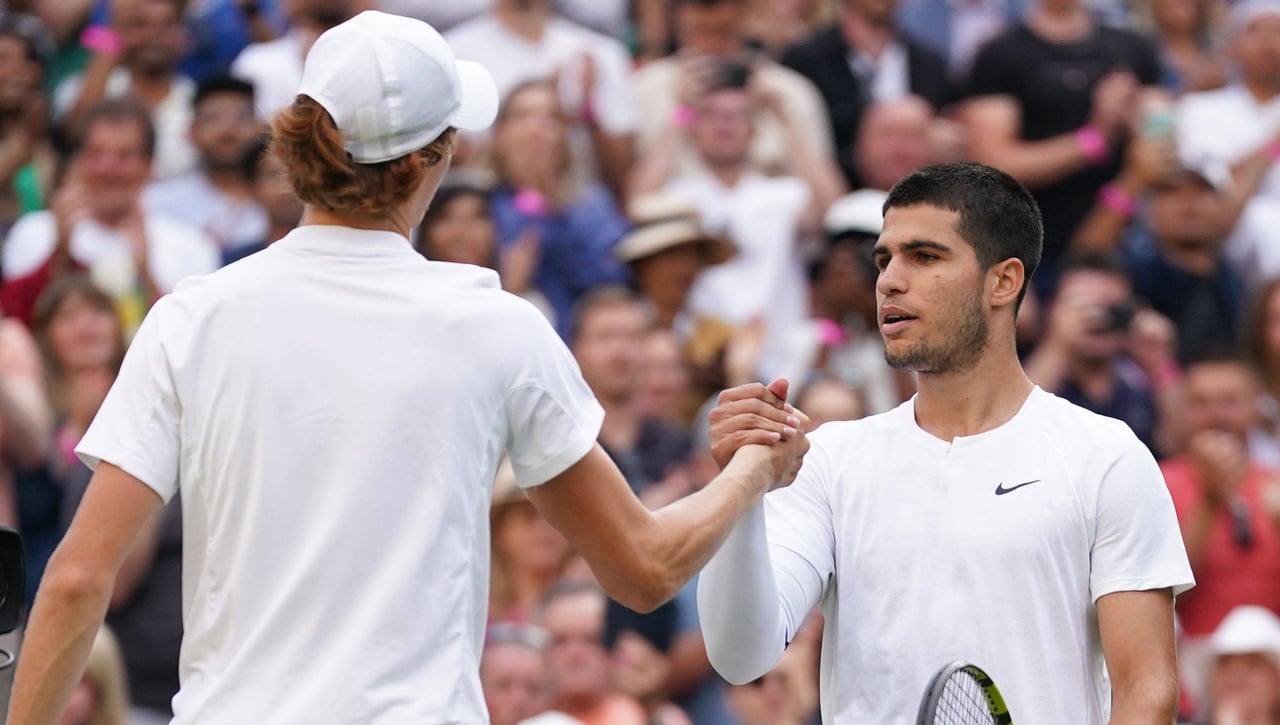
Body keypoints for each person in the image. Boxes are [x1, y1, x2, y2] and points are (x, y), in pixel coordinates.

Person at [7, 12, 808, 724]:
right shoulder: (495, 324)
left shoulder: (193, 315)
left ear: (298, 137)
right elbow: (643, 569)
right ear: (433, 157)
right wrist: (750, 473)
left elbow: (77, 578)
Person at [698, 162, 1195, 722]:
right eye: (883, 259)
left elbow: (1146, 690)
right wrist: (740, 494)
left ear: (1003, 281)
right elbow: (740, 657)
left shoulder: (1105, 455)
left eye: (925, 256)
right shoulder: (829, 459)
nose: (888, 280)